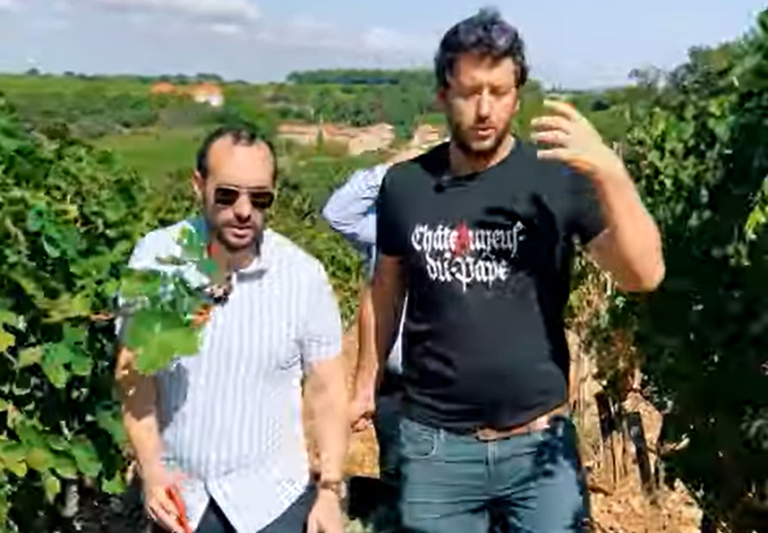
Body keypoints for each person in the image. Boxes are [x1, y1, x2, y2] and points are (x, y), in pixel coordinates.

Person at [364, 8, 665, 533]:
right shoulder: (404, 186)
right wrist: (360, 390)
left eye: (499, 92)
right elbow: (385, 291)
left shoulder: (558, 180)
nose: (484, 109)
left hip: (539, 450)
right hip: (435, 449)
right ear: (442, 94)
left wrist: (611, 172)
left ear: (517, 95)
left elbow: (643, 275)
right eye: (469, 91)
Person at [115, 124, 349, 533]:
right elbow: (134, 375)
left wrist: (329, 490)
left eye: (260, 198)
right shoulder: (158, 259)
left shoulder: (303, 276)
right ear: (198, 185)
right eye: (227, 194)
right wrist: (151, 473)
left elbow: (328, 389)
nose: (244, 210)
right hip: (183, 502)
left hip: (273, 502)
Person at [322, 146, 425, 532]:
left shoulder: (459, 225)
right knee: (398, 481)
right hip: (394, 384)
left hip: (447, 384)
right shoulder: (385, 228)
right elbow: (337, 212)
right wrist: (392, 169)